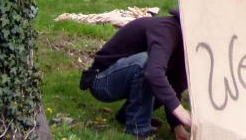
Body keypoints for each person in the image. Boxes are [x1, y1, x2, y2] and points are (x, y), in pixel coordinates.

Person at [80, 9, 191, 139]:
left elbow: (174, 86)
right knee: (148, 65)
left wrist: (177, 126)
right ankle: (138, 128)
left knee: (163, 86)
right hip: (101, 80)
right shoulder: (167, 29)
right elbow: (153, 73)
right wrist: (181, 112)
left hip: (128, 77)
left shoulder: (187, 46)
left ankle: (129, 114)